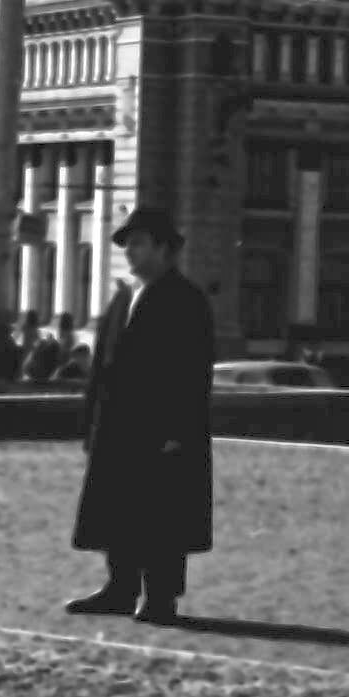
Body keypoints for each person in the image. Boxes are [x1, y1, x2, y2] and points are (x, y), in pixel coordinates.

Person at [66, 206, 215, 627]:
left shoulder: (185, 300)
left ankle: (161, 596)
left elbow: (192, 373)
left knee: (161, 515)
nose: (129, 251)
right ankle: (120, 587)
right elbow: (101, 367)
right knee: (118, 509)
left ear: (164, 249)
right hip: (116, 427)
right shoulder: (122, 298)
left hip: (160, 430)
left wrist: (178, 430)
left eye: (138, 243)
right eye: (127, 244)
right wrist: (91, 423)